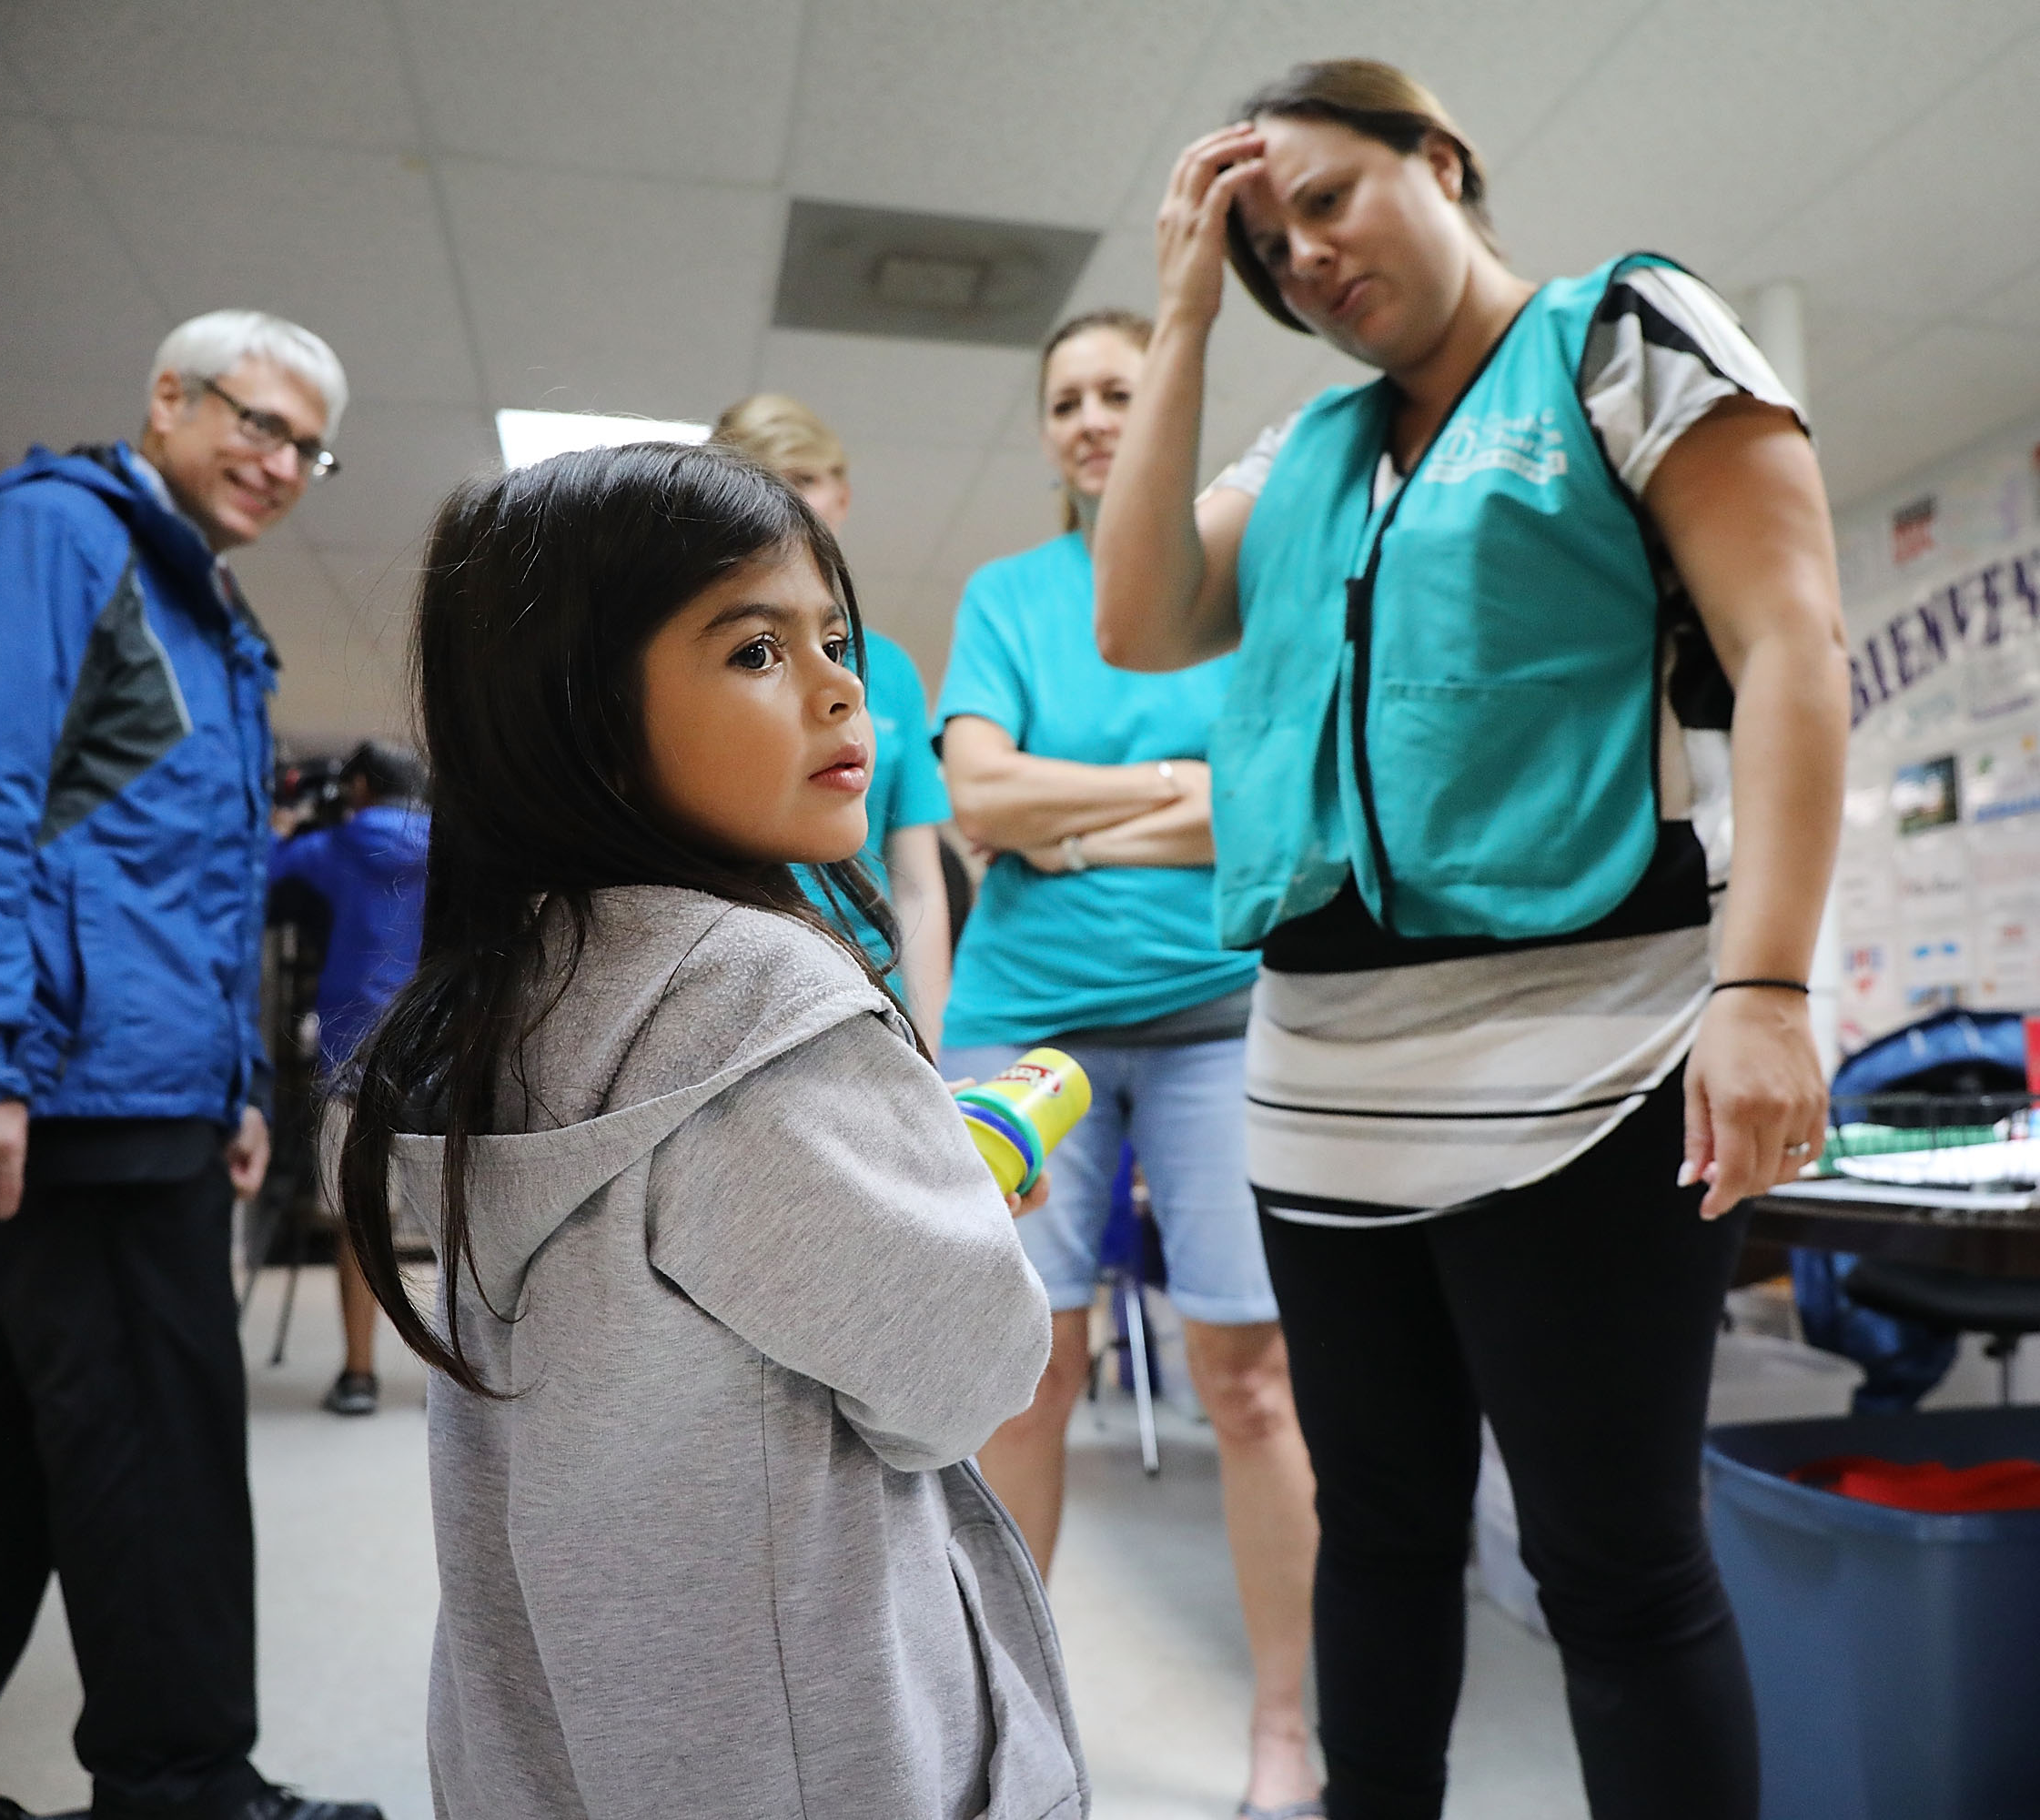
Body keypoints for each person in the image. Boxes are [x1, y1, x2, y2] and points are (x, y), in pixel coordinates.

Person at [1093, 61, 1849, 1820]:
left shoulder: (1623, 338)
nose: (1309, 260)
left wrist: (1767, 986)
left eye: (1329, 201)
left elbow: (1796, 646)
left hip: (1584, 1062)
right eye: (1271, 248)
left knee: (1615, 1568)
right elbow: (1136, 619)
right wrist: (1185, 311)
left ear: (1440, 156)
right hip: (1321, 1088)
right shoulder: (1307, 454)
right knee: (1379, 1539)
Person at [331, 440, 1083, 1818]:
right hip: (816, 1753)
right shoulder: (763, 1000)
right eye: (755, 651)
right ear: (582, 718)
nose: (841, 683)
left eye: (835, 638)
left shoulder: (508, 996)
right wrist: (954, 1207)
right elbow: (967, 1369)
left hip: (565, 1729)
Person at [0, 310, 380, 1820]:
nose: (281, 461)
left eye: (309, 446)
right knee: (161, 1456)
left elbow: (194, 884)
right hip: (75, 1093)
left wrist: (241, 1088)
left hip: (147, 1088)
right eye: (257, 421)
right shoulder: (54, 542)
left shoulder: (202, 606)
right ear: (170, 398)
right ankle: (183, 1786)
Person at [937, 308, 1324, 1820]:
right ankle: (1011, 1731)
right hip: (1026, 1014)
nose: (1095, 418)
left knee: (1255, 1383)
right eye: (1069, 400)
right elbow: (976, 792)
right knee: (1024, 1382)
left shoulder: (1247, 593)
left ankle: (1282, 1732)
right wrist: (1173, 789)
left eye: (1122, 390)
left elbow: (1266, 811)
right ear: (1045, 433)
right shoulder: (1008, 596)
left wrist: (1074, 818)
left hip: (1231, 1016)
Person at [712, 392, 956, 1046]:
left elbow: (918, 879)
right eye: (761, 481)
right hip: (745, 991)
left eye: (804, 481)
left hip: (876, 994)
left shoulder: (893, 671)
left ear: (841, 498)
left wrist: (929, 1046)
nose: (785, 504)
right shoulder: (701, 662)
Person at [266, 741, 429, 1416]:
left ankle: (359, 1375)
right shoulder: (458, 844)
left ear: (360, 785)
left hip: (351, 1056)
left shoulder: (336, 846)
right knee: (461, 1223)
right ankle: (447, 1375)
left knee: (360, 1224)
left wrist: (283, 825)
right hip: (441, 1051)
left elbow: (267, 881)